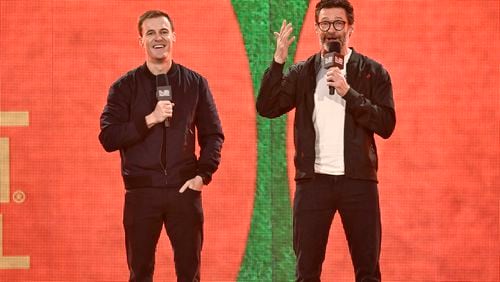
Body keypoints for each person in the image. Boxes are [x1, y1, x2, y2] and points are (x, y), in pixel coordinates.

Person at [257, 0, 396, 281]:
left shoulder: (372, 71)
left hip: (358, 182)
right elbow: (268, 107)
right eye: (325, 23)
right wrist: (278, 61)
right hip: (313, 183)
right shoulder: (302, 72)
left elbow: (386, 124)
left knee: (368, 270)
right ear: (316, 28)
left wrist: (349, 93)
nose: (331, 30)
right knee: (306, 271)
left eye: (338, 23)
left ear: (351, 28)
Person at [98, 10, 224, 282]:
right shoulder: (124, 87)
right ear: (140, 40)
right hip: (141, 193)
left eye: (164, 31)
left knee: (189, 273)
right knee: (140, 272)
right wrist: (150, 119)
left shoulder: (195, 83)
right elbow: (108, 137)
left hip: (184, 191)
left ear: (173, 37)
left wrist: (202, 176)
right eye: (151, 33)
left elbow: (213, 134)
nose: (158, 38)